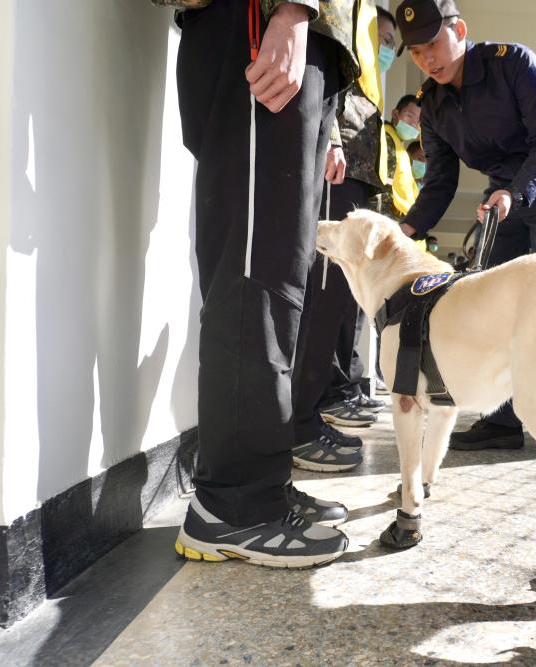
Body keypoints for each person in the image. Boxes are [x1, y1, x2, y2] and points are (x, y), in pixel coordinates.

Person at [160, 0, 358, 568]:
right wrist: (294, 9)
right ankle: (234, 506)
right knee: (254, 273)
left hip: (296, 33)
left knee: (277, 273)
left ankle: (258, 486)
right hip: (259, 20)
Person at [394, 0, 536, 450]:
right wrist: (405, 231)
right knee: (494, 299)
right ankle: (504, 424)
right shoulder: (431, 106)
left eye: (433, 42)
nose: (427, 58)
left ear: (460, 29)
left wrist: (516, 191)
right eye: (415, 51)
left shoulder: (514, 64)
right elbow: (440, 182)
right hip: (504, 190)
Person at [292, 2, 398, 468]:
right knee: (323, 293)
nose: (387, 51)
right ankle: (300, 420)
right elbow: (327, 64)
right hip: (339, 161)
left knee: (338, 296)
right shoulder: (346, 20)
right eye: (386, 41)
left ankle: (311, 409)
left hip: (354, 167)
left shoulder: (371, 70)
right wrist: (332, 137)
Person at [378, 94, 424, 219]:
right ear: (395, 114)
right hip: (388, 215)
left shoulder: (400, 147)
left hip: (401, 215)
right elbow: (384, 184)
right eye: (410, 116)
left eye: (419, 121)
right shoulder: (385, 137)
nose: (414, 124)